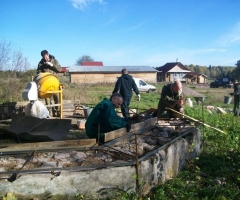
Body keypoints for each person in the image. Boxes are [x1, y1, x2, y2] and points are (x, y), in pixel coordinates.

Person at [36, 50, 62, 117]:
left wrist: (52, 65)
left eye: (46, 57)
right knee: (47, 99)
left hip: (54, 82)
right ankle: (49, 112)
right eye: (44, 57)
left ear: (48, 55)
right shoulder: (41, 63)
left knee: (57, 98)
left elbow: (59, 69)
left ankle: (58, 111)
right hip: (46, 83)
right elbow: (38, 72)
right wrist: (40, 73)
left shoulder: (54, 60)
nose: (45, 58)